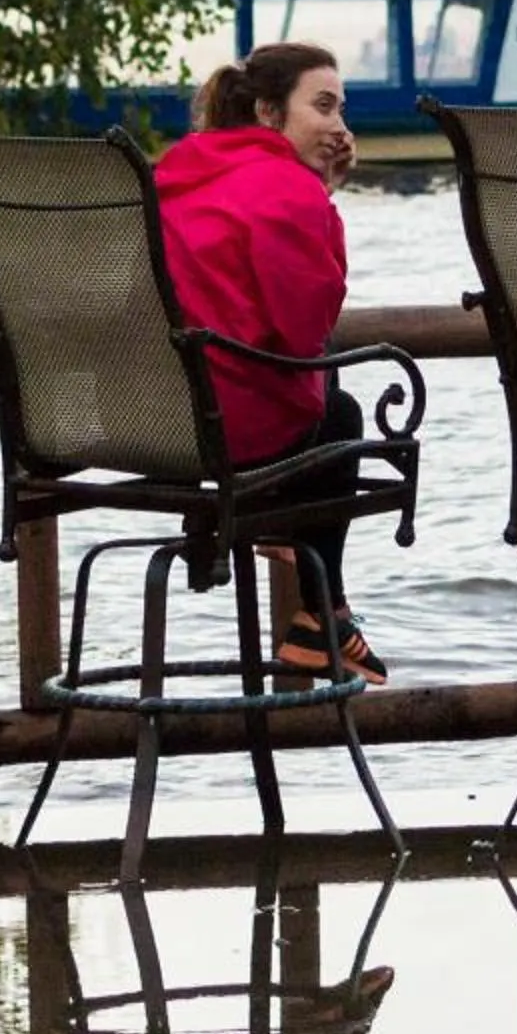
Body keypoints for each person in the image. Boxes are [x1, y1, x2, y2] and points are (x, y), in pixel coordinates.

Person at [153, 40, 390, 685]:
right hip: (235, 437)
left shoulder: (179, 172)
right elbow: (304, 327)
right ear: (266, 111)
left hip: (152, 428)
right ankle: (321, 614)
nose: (339, 126)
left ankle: (326, 617)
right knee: (337, 415)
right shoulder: (285, 186)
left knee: (320, 402)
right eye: (322, 106)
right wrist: (321, 198)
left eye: (341, 108)